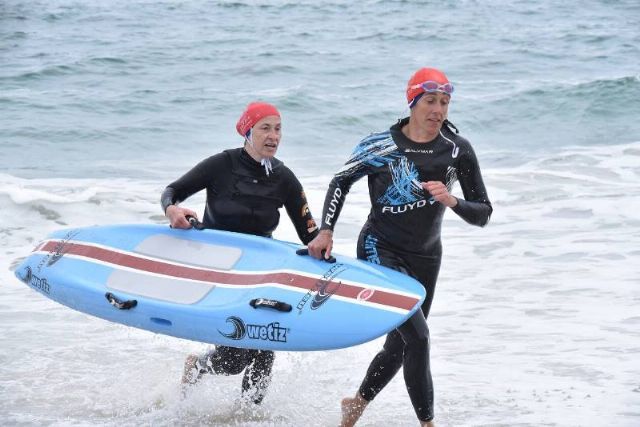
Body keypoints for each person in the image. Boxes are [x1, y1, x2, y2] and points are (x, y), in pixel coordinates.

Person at [307, 67, 492, 426]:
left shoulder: (456, 151)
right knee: (419, 337)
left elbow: (483, 213)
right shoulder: (382, 145)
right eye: (430, 101)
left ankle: (355, 405)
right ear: (412, 103)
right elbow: (341, 181)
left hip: (427, 256)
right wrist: (326, 230)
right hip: (381, 248)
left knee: (400, 343)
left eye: (445, 102)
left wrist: (452, 201)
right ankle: (428, 424)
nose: (438, 110)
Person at [160, 101, 319, 404]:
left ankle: (248, 417)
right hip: (220, 271)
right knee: (232, 360)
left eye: (278, 128)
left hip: (260, 272)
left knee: (264, 344)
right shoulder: (221, 165)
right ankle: (197, 366)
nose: (274, 136)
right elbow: (172, 191)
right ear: (247, 131)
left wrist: (323, 240)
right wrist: (172, 210)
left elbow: (309, 232)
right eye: (265, 128)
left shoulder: (284, 178)